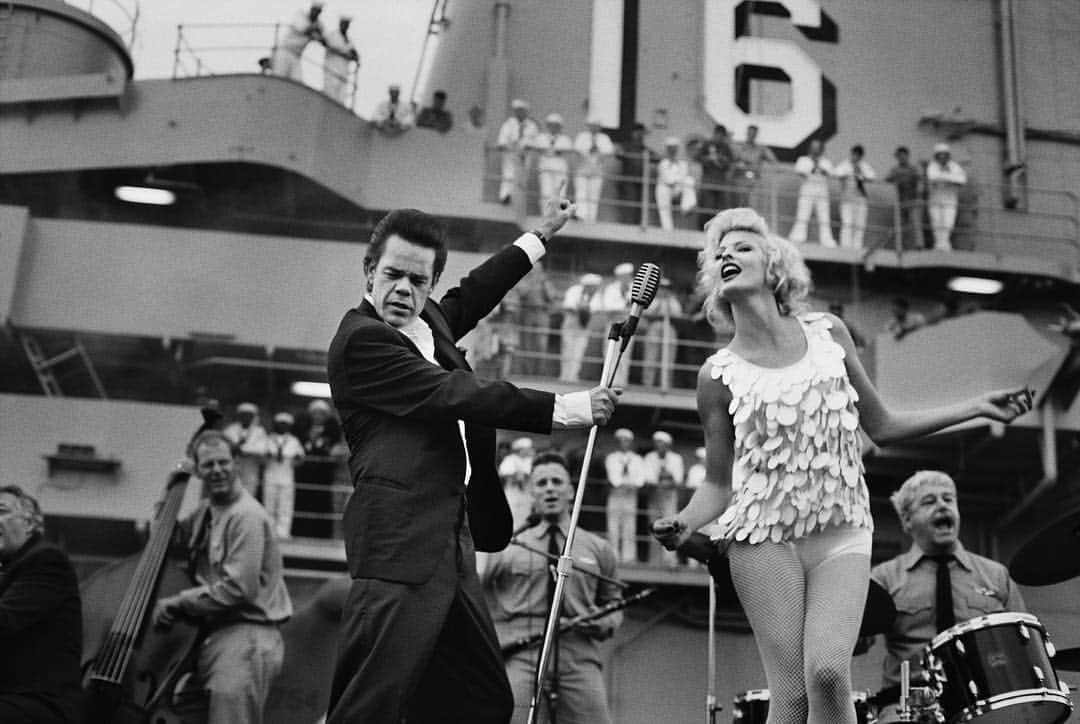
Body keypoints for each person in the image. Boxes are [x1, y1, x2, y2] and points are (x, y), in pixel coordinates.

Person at [651, 206, 1034, 723]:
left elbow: (882, 425)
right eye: (720, 253)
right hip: (762, 537)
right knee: (790, 696)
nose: (727, 255)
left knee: (828, 673)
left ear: (774, 266)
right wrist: (686, 521)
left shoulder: (828, 333)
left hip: (842, 527)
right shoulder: (715, 375)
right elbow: (718, 484)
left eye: (742, 247)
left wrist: (974, 406)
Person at [324, 193, 619, 724]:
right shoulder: (361, 342)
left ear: (430, 284)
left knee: (483, 698)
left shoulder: (427, 322)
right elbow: (457, 394)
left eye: (418, 282)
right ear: (369, 272)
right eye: (392, 275)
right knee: (370, 704)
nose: (403, 291)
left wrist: (539, 237)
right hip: (399, 545)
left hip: (452, 541)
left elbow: (476, 293)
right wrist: (571, 408)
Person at [863, 471, 1026, 723]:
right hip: (907, 705)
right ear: (907, 520)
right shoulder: (884, 577)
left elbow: (1022, 646)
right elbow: (857, 642)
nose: (942, 505)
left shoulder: (996, 575)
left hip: (984, 702)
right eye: (929, 502)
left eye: (948, 499)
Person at [153, 431, 293, 724]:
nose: (217, 470)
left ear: (237, 463)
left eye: (223, 462)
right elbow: (164, 541)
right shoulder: (207, 511)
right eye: (208, 465)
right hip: (212, 638)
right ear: (198, 471)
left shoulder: (246, 516)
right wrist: (171, 486)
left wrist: (177, 603)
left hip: (245, 637)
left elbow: (239, 589)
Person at [480, 450, 623, 724]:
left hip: (579, 658)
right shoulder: (508, 546)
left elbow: (614, 603)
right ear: (531, 493)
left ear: (571, 490)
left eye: (557, 482)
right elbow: (479, 595)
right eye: (541, 483)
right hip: (522, 655)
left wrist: (604, 622)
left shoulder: (598, 548)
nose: (550, 490)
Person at [0, 486, 82, 724]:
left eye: (2, 510)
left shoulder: (46, 560)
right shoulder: (9, 567)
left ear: (30, 524)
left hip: (40, 703)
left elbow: (3, 622)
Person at [292, 399, 343, 538]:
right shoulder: (303, 433)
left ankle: (321, 534)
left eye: (321, 414)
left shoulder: (331, 434)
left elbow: (335, 453)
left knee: (321, 505)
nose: (318, 416)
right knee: (302, 503)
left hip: (323, 477)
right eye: (315, 413)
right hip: (305, 475)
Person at [604, 428, 646, 563]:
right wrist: (622, 484)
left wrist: (633, 485)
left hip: (631, 495)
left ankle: (629, 557)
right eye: (621, 441)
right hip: (616, 494)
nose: (624, 443)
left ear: (631, 442)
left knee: (629, 526)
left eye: (626, 441)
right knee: (613, 526)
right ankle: (613, 555)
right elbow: (612, 477)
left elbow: (640, 478)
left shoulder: (637, 459)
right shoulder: (611, 458)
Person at [643, 430, 684, 566]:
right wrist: (663, 480)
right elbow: (648, 479)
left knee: (670, 527)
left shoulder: (676, 459)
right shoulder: (650, 457)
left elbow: (678, 480)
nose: (658, 445)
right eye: (656, 443)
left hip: (670, 496)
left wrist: (666, 479)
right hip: (654, 495)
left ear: (667, 444)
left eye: (661, 443)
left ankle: (670, 560)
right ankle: (654, 560)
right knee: (654, 526)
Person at [262, 412, 305, 539]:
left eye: (285, 425)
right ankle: (269, 532)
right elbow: (261, 458)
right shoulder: (268, 439)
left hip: (287, 477)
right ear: (276, 425)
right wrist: (267, 456)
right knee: (269, 505)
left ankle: (283, 533)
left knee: (285, 507)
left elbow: (301, 458)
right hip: (270, 476)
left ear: (289, 426)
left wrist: (297, 459)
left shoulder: (294, 441)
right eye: (280, 424)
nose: (282, 427)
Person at [788, 139, 836, 246]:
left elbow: (832, 173)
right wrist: (813, 167)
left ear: (821, 149)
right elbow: (800, 171)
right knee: (803, 214)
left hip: (822, 190)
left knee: (824, 216)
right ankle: (798, 238)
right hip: (807, 188)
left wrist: (822, 170)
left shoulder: (825, 162)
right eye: (813, 147)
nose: (815, 149)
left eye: (817, 147)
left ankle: (827, 240)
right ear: (810, 148)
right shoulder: (803, 160)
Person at [559, 273, 604, 383]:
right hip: (570, 324)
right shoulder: (574, 290)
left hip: (584, 327)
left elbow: (597, 307)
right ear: (587, 285)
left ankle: (573, 376)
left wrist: (585, 309)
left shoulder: (596, 295)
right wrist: (581, 308)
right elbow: (568, 305)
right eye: (592, 286)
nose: (594, 289)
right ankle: (564, 376)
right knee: (567, 350)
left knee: (579, 351)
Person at [641, 277, 682, 388]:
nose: (664, 290)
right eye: (662, 288)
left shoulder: (673, 301)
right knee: (651, 356)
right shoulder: (652, 300)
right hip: (654, 326)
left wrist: (667, 303)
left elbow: (678, 314)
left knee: (668, 358)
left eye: (666, 288)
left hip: (669, 328)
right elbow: (646, 313)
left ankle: (665, 384)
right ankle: (648, 383)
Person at [496, 99, 539, 205]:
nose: (519, 112)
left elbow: (536, 141)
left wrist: (529, 146)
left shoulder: (532, 126)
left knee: (522, 178)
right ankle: (505, 196)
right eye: (517, 110)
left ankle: (518, 199)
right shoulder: (508, 124)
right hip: (510, 153)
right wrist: (503, 144)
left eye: (521, 110)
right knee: (508, 175)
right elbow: (503, 137)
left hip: (525, 154)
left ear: (526, 111)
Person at [572, 118, 615, 223]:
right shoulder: (582, 136)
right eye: (592, 125)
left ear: (599, 127)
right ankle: (581, 216)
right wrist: (587, 150)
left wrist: (598, 150)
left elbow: (610, 150)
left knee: (594, 195)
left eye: (596, 126)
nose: (594, 127)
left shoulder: (604, 138)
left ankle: (591, 219)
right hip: (582, 168)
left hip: (597, 170)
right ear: (588, 126)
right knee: (581, 192)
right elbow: (576, 148)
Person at [833, 144, 877, 249]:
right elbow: (836, 173)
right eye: (854, 154)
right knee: (847, 223)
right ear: (851, 154)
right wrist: (849, 173)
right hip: (847, 198)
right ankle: (845, 246)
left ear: (861, 156)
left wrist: (860, 173)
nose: (855, 157)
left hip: (861, 199)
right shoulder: (845, 164)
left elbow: (872, 176)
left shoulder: (864, 166)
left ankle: (857, 247)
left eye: (858, 155)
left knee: (860, 224)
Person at [600, 262, 636, 388]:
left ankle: (621, 383)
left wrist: (623, 309)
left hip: (628, 325)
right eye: (624, 276)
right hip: (613, 325)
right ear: (619, 276)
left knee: (625, 354)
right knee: (609, 353)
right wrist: (624, 307)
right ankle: (608, 382)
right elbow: (608, 307)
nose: (627, 278)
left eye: (629, 275)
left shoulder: (634, 288)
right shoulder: (611, 289)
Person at [926, 143, 967, 251]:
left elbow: (962, 180)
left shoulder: (955, 166)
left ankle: (943, 245)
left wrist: (943, 177)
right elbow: (932, 177)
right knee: (936, 223)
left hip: (950, 199)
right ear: (936, 156)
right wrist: (950, 178)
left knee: (948, 223)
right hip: (935, 199)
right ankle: (940, 245)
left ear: (948, 155)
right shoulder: (932, 166)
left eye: (945, 154)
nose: (942, 157)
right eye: (940, 155)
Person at [223, 401, 268, 498]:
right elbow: (224, 447)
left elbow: (262, 449)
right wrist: (238, 449)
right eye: (243, 415)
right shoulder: (230, 429)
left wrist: (241, 449)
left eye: (249, 415)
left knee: (248, 495)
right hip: (232, 467)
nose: (246, 418)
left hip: (250, 468)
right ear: (239, 416)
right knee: (230, 494)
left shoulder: (259, 431)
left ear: (253, 417)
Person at [616, 122, 658, 225]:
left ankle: (636, 227)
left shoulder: (644, 149)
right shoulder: (626, 146)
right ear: (633, 133)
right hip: (628, 183)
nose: (640, 135)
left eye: (642, 133)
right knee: (628, 207)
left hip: (640, 183)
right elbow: (618, 153)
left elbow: (657, 158)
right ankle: (627, 230)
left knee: (638, 208)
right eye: (639, 133)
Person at [531, 113, 574, 212]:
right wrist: (553, 151)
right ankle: (545, 214)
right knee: (545, 192)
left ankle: (558, 216)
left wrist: (552, 150)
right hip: (545, 167)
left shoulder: (565, 139)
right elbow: (536, 147)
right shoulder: (541, 137)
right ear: (547, 126)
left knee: (560, 193)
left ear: (560, 127)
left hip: (560, 168)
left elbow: (566, 150)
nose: (553, 128)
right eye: (551, 125)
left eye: (556, 125)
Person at [271, 2, 324, 82]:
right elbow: (305, 29)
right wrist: (316, 31)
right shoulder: (300, 15)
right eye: (315, 10)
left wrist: (318, 33)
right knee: (279, 77)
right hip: (284, 51)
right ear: (311, 9)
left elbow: (323, 39)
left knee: (297, 81)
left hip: (296, 56)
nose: (316, 13)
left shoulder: (319, 24)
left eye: (318, 11)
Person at [885, 146, 924, 249]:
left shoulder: (914, 168)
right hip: (901, 202)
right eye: (899, 156)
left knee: (915, 223)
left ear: (907, 156)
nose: (902, 158)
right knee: (902, 226)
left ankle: (919, 245)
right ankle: (904, 246)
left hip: (913, 200)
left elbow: (920, 179)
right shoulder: (895, 169)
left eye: (903, 156)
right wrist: (897, 177)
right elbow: (887, 179)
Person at [731, 124, 777, 211]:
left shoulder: (761, 149)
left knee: (753, 206)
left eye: (753, 133)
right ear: (747, 133)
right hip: (740, 180)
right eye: (750, 133)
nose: (751, 135)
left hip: (754, 181)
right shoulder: (740, 147)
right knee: (739, 205)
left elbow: (773, 160)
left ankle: (750, 223)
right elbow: (733, 160)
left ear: (756, 134)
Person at [655, 137, 697, 231]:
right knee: (662, 191)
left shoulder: (682, 163)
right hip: (666, 189)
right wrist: (678, 180)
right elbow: (668, 180)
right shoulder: (663, 163)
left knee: (689, 180)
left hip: (678, 188)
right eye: (670, 148)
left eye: (674, 148)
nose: (672, 150)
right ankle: (667, 228)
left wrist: (678, 181)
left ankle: (687, 206)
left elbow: (683, 176)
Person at [697, 123, 735, 225]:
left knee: (720, 208)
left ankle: (717, 229)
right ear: (715, 134)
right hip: (708, 180)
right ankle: (702, 228)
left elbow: (730, 162)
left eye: (722, 135)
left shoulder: (726, 147)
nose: (719, 137)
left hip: (721, 182)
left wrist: (721, 159)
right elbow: (698, 157)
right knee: (707, 206)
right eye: (718, 134)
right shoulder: (706, 144)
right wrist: (708, 158)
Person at [499, 436, 537, 530]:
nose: (530, 451)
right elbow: (504, 474)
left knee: (526, 516)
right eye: (527, 449)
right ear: (520, 450)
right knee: (512, 517)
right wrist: (517, 475)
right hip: (513, 495)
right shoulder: (510, 459)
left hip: (528, 496)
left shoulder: (531, 460)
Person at [321, 15, 358, 105]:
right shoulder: (332, 35)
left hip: (343, 72)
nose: (345, 26)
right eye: (344, 23)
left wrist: (352, 55)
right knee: (330, 95)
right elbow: (328, 45)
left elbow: (355, 54)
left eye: (347, 24)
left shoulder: (349, 40)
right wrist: (345, 53)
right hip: (332, 70)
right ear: (340, 24)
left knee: (341, 99)